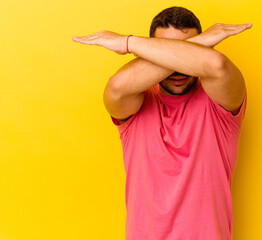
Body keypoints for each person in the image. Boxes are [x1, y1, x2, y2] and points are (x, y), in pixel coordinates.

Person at [73, 6, 252, 240]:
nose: (177, 68)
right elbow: (116, 88)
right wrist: (199, 43)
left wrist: (128, 44)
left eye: (184, 48)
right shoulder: (135, 105)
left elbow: (216, 66)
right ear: (153, 50)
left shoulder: (220, 103)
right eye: (167, 49)